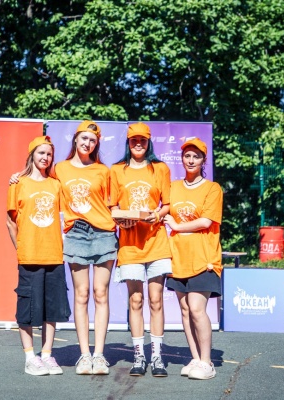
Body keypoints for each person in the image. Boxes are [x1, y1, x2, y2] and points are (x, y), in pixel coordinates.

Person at [10, 120, 117, 375]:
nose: (87, 143)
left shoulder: (104, 171)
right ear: (75, 139)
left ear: (97, 144)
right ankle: (84, 355)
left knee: (101, 294)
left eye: (92, 140)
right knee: (81, 294)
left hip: (103, 234)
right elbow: (37, 178)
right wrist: (17, 175)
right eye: (84, 138)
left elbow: (113, 205)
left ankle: (99, 355)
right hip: (76, 233)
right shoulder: (60, 169)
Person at [110, 122, 172, 377]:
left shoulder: (160, 168)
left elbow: (166, 204)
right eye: (134, 140)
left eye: (142, 140)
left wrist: (157, 215)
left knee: (156, 300)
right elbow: (113, 207)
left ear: (149, 142)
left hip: (156, 242)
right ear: (128, 142)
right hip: (129, 245)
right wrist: (121, 220)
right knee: (136, 300)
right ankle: (139, 356)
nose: (138, 144)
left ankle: (157, 356)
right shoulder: (117, 170)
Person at [6, 135, 71, 376]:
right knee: (27, 308)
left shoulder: (56, 185)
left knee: (51, 308)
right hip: (30, 256)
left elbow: (63, 220)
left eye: (49, 154)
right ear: (32, 154)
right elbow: (10, 222)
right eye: (41, 153)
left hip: (54, 256)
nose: (45, 157)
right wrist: (21, 248)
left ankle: (46, 355)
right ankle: (29, 357)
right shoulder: (18, 183)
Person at [163, 138, 223, 380]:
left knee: (197, 309)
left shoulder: (212, 188)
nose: (190, 160)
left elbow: (206, 221)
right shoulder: (173, 187)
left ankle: (207, 363)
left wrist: (177, 226)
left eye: (196, 156)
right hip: (177, 258)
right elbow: (161, 210)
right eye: (187, 155)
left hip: (203, 258)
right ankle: (196, 358)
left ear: (203, 160)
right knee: (185, 310)